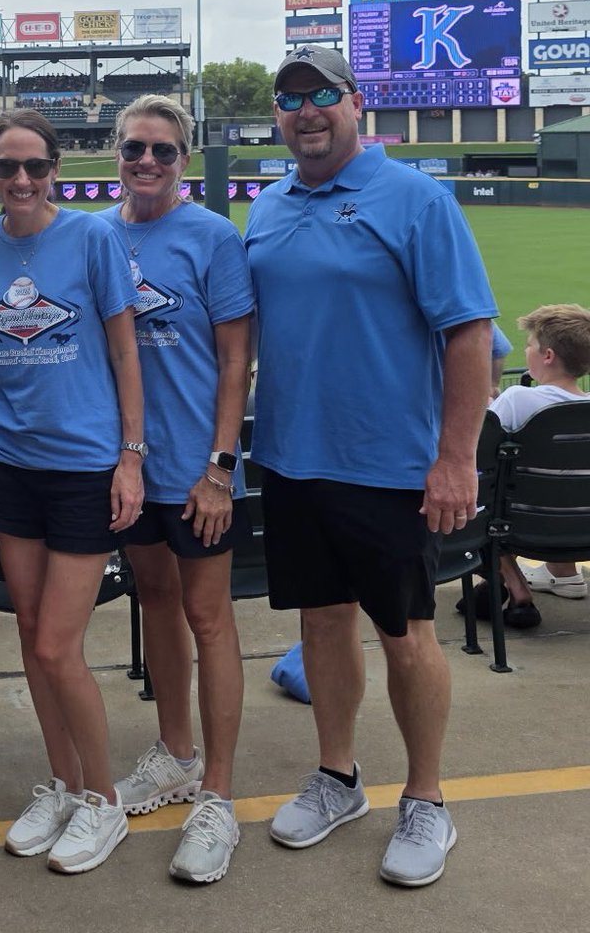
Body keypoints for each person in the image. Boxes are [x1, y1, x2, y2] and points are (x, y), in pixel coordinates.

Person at [245, 45, 497, 888]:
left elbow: (468, 334)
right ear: (277, 116)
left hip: (388, 464)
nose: (306, 112)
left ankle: (426, 797)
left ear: (356, 105)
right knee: (321, 622)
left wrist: (456, 458)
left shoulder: (415, 198)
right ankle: (338, 777)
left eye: (322, 97)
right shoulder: (271, 205)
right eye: (290, 100)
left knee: (406, 633)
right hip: (291, 455)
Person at [0, 109, 143, 874]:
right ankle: (64, 783)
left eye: (36, 167)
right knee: (31, 632)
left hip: (84, 464)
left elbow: (124, 349)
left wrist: (131, 455)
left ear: (56, 169)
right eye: (8, 168)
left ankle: (103, 799)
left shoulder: (94, 237)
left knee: (56, 644)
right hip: (7, 458)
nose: (23, 181)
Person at [100, 95, 254, 883]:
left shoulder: (212, 238)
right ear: (116, 154)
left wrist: (220, 466)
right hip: (130, 469)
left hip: (199, 472)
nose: (147, 162)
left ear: (184, 160)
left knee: (208, 616)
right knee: (155, 603)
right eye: (134, 149)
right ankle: (176, 754)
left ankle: (218, 796)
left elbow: (236, 362)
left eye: (162, 151)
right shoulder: (98, 236)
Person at [489, 305, 590, 614]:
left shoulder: (518, 399)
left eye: (530, 345)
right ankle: (564, 573)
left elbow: (479, 451)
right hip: (583, 524)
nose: (526, 350)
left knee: (485, 490)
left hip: (523, 525)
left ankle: (514, 584)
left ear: (547, 356)